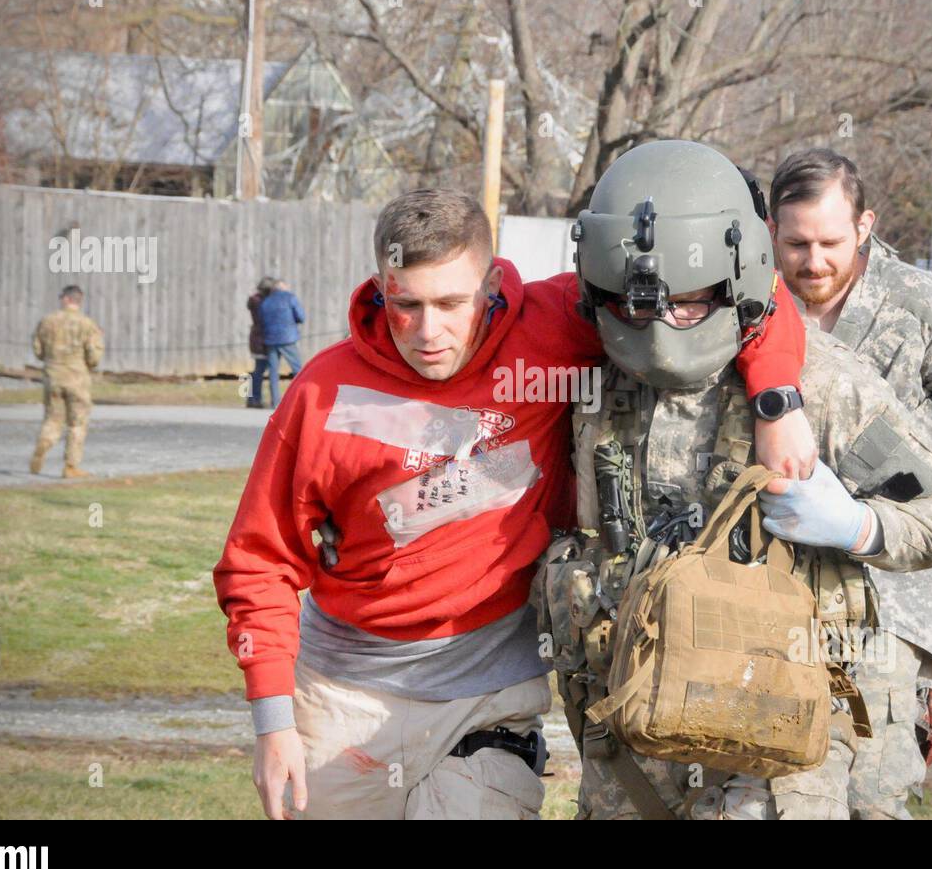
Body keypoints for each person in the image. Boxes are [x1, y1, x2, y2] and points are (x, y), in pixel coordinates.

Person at [213, 186, 812, 820]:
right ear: (379, 287)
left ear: (493, 282)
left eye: (451, 302)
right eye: (405, 305)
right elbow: (258, 562)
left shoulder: (551, 324)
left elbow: (746, 292)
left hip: (488, 694)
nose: (428, 331)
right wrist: (272, 722)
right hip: (343, 694)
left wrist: (777, 399)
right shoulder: (321, 393)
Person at [540, 139, 932, 819]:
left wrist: (859, 524)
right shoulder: (591, 376)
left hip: (769, 761)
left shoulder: (824, 386)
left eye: (688, 304)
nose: (660, 327)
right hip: (628, 749)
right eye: (639, 306)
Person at [768, 147, 932, 818]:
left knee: (874, 790)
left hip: (891, 586)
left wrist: (889, 462)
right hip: (779, 578)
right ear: (769, 231)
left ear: (865, 225)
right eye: (797, 243)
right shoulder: (750, 304)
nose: (814, 261)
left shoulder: (914, 299)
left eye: (832, 243)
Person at [29, 285, 104, 479]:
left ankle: (44, 442)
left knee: (53, 419)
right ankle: (71, 466)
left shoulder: (46, 321)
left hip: (52, 376)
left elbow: (38, 351)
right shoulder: (87, 324)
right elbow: (94, 356)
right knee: (77, 423)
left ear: (65, 299)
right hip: (77, 378)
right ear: (78, 301)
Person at [259, 278, 306, 407]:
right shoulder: (290, 297)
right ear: (283, 286)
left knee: (273, 372)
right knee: (298, 370)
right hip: (288, 338)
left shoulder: (265, 301)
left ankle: (275, 402)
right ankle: (300, 400)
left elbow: (262, 321)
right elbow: (301, 317)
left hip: (270, 339)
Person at [246, 277, 276, 408]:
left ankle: (253, 398)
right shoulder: (261, 302)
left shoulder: (256, 300)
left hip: (259, 338)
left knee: (259, 370)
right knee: (259, 370)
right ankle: (253, 398)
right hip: (261, 339)